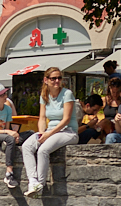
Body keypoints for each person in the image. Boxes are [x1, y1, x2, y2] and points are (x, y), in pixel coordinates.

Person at [21, 68, 79, 196]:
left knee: (43, 150)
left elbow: (66, 120)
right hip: (50, 131)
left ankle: (40, 186)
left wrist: (48, 134)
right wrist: (42, 133)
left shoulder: (67, 94)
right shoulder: (44, 95)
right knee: (26, 146)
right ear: (46, 80)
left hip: (68, 131)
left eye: (59, 78)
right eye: (53, 78)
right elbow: (42, 118)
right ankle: (33, 181)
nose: (57, 81)